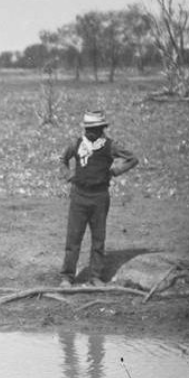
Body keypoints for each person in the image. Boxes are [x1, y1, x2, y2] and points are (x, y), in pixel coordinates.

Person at [59, 110, 138, 287]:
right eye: (88, 128)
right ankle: (67, 276)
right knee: (73, 238)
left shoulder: (110, 146)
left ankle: (95, 275)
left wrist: (116, 171)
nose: (91, 132)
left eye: (95, 128)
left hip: (100, 197)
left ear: (103, 128)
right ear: (84, 128)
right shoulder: (77, 143)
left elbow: (132, 159)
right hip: (79, 196)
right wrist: (68, 175)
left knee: (98, 238)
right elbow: (62, 158)